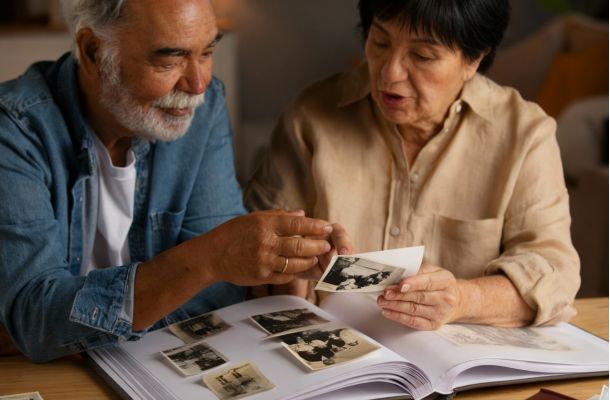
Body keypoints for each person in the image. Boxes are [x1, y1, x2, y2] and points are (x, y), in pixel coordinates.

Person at [0, 0, 351, 362]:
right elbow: (36, 323)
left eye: (207, 52)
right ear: (93, 51)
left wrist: (241, 267)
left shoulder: (202, 106)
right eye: (169, 60)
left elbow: (220, 295)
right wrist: (208, 259)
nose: (197, 84)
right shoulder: (14, 129)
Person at [245, 0, 580, 330]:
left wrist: (463, 299)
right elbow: (252, 257)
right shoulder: (311, 117)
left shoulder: (524, 135)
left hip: (457, 368)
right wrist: (290, 268)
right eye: (380, 42)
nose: (390, 72)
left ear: (474, 59)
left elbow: (554, 273)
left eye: (422, 56)